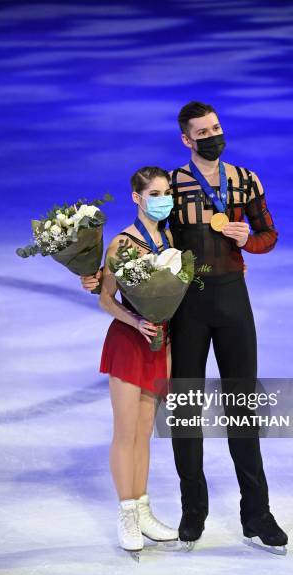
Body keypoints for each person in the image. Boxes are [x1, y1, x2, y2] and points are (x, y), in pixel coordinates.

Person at [82, 101, 288, 555]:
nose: (213, 135)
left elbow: (269, 235)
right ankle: (192, 512)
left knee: (242, 405)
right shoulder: (171, 186)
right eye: (202, 131)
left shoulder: (245, 180)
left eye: (216, 127)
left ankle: (258, 514)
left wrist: (247, 242)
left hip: (234, 300)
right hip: (185, 307)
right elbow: (144, 238)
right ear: (186, 139)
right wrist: (101, 275)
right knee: (187, 411)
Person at [98, 166, 178, 554]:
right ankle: (126, 511)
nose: (164, 200)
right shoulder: (121, 244)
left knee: (146, 431)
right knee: (125, 431)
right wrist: (137, 320)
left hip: (160, 345)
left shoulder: (169, 237)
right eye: (156, 193)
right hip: (129, 343)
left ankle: (144, 508)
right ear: (137, 197)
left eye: (167, 192)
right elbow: (105, 299)